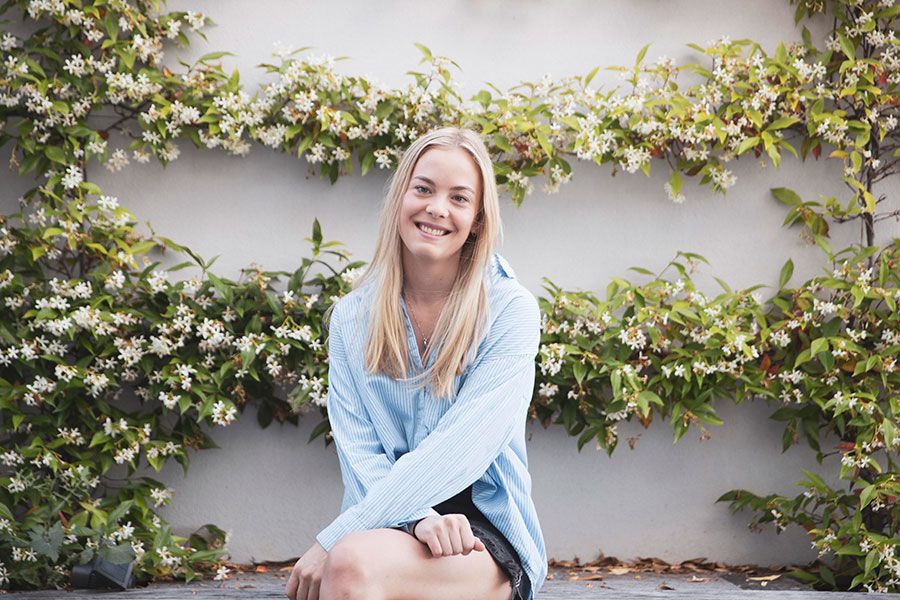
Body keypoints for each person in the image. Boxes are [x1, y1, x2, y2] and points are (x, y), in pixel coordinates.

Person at [285, 126, 546, 600]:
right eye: (423, 189)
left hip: (486, 536)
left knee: (347, 561)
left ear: (477, 220)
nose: (437, 208)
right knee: (352, 563)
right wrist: (419, 519)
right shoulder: (352, 319)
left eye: (459, 198)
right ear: (400, 198)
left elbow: (462, 448)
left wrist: (332, 538)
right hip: (387, 524)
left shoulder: (510, 311)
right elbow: (360, 454)